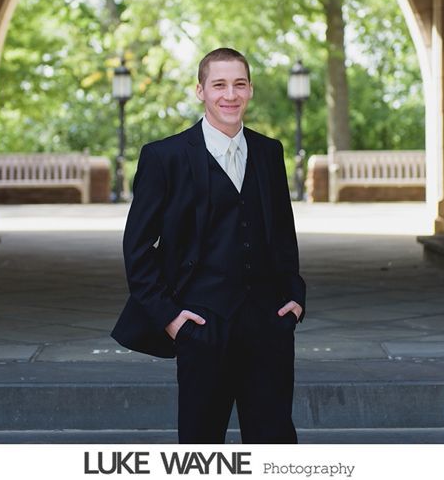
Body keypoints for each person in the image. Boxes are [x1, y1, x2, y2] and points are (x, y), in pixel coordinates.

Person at [111, 47, 306, 444]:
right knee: (201, 446)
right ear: (200, 90)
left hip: (268, 325)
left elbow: (283, 235)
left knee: (275, 445)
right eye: (219, 85)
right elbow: (137, 248)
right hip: (201, 326)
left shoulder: (270, 153)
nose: (229, 95)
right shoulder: (163, 157)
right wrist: (170, 317)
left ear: (250, 90)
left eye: (239, 84)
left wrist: (294, 299)